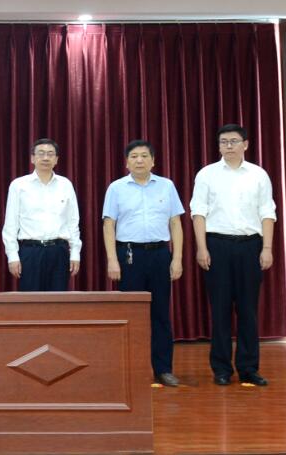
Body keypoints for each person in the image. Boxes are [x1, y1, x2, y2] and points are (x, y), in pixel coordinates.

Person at [190, 124, 277, 387]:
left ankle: (249, 368)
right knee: (220, 309)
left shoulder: (258, 175)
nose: (228, 146)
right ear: (218, 146)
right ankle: (221, 369)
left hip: (251, 246)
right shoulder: (207, 174)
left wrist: (267, 248)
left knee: (248, 310)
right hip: (217, 246)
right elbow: (198, 212)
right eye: (223, 142)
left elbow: (267, 212)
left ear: (245, 144)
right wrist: (202, 248)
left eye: (234, 141)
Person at [102, 139, 185, 387]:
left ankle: (163, 369)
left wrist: (177, 258)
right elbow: (109, 225)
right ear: (127, 162)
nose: (139, 160)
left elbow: (175, 223)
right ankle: (132, 370)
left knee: (161, 314)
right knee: (131, 315)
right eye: (134, 156)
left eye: (144, 156)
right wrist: (112, 260)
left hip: (160, 255)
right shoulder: (116, 188)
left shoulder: (167, 186)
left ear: (153, 160)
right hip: (129, 256)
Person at [2, 138, 81, 291]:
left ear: (56, 159)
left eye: (50, 154)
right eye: (41, 153)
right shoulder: (19, 185)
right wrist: (12, 256)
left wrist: (75, 253)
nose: (46, 158)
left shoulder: (65, 185)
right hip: (30, 251)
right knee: (31, 300)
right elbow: (10, 224)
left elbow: (72, 222)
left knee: (58, 300)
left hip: (59, 251)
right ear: (32, 158)